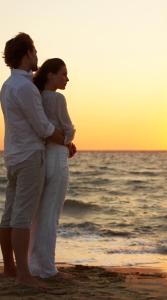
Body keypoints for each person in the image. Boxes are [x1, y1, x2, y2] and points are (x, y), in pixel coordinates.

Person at [0, 33, 65, 287]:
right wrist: (63, 138)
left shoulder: (7, 85)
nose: (37, 55)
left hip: (13, 155)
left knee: (9, 215)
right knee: (22, 217)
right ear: (27, 53)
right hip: (28, 155)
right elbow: (42, 126)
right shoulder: (25, 87)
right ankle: (25, 275)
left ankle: (10, 268)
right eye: (34, 50)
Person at [29, 58, 76, 278]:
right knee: (51, 214)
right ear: (50, 75)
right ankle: (47, 268)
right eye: (63, 74)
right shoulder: (57, 98)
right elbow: (68, 130)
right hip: (57, 159)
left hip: (42, 157)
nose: (67, 78)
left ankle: (34, 264)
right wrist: (68, 140)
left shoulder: (36, 97)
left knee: (39, 214)